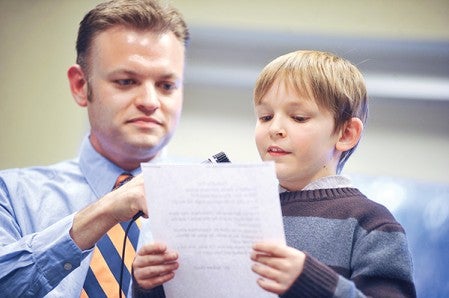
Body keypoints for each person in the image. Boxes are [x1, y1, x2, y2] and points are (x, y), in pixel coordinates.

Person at [132, 50, 417, 297]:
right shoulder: (235, 212)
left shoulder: (373, 225)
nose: (274, 129)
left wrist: (309, 281)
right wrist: (152, 285)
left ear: (346, 133)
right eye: (265, 116)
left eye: (298, 117)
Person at [0, 0, 189, 297]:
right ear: (80, 85)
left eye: (167, 86)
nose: (151, 101)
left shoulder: (221, 198)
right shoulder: (10, 194)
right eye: (127, 81)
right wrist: (104, 212)